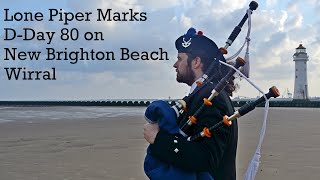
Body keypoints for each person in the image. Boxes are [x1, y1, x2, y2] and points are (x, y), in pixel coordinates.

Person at [144, 27, 238, 180]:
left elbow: (207, 158)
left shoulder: (213, 98)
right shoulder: (202, 94)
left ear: (196, 62)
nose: (175, 64)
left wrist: (159, 139)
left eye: (180, 59)